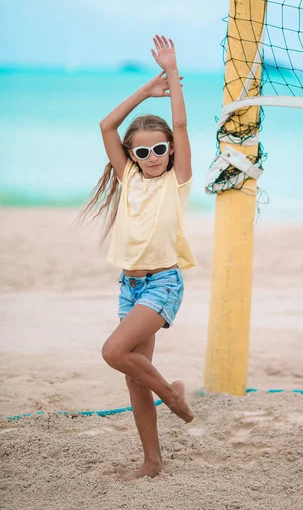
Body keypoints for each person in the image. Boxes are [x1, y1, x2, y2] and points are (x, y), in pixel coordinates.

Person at [76, 35, 196, 480]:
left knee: (113, 352)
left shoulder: (175, 181)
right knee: (132, 375)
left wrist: (171, 74)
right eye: (142, 151)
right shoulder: (129, 177)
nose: (151, 157)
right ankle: (152, 462)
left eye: (159, 149)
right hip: (130, 284)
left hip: (163, 282)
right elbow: (108, 126)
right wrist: (145, 92)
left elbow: (180, 127)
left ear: (169, 151)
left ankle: (174, 397)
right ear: (132, 155)